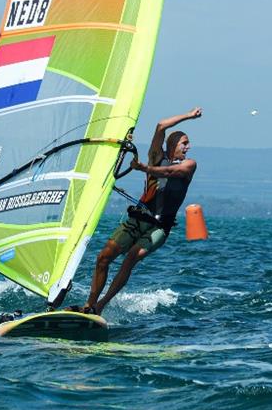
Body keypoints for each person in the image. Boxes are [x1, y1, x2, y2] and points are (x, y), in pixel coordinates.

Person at [68, 107, 202, 315]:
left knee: (130, 258)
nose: (188, 147)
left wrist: (145, 169)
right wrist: (188, 116)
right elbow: (161, 126)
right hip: (137, 219)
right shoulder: (156, 156)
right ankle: (89, 305)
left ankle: (100, 307)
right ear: (172, 144)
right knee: (103, 258)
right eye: (185, 143)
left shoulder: (189, 165)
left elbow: (169, 172)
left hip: (159, 228)